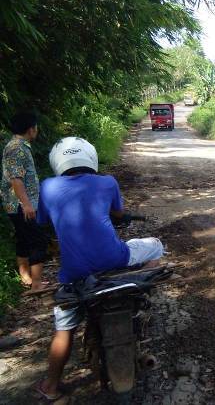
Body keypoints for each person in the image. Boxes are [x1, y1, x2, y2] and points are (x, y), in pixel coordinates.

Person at [35, 137, 165, 402]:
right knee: (156, 246)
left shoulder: (47, 187)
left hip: (74, 273)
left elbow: (42, 220)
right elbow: (118, 213)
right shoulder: (107, 182)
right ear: (90, 158)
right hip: (114, 258)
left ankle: (50, 386)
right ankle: (144, 288)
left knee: (64, 329)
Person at [1, 112, 47, 291]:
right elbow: (16, 179)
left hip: (17, 203)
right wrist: (27, 204)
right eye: (36, 127)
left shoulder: (17, 145)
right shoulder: (17, 148)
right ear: (31, 129)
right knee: (38, 241)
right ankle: (36, 284)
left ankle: (26, 277)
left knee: (23, 238)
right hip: (20, 205)